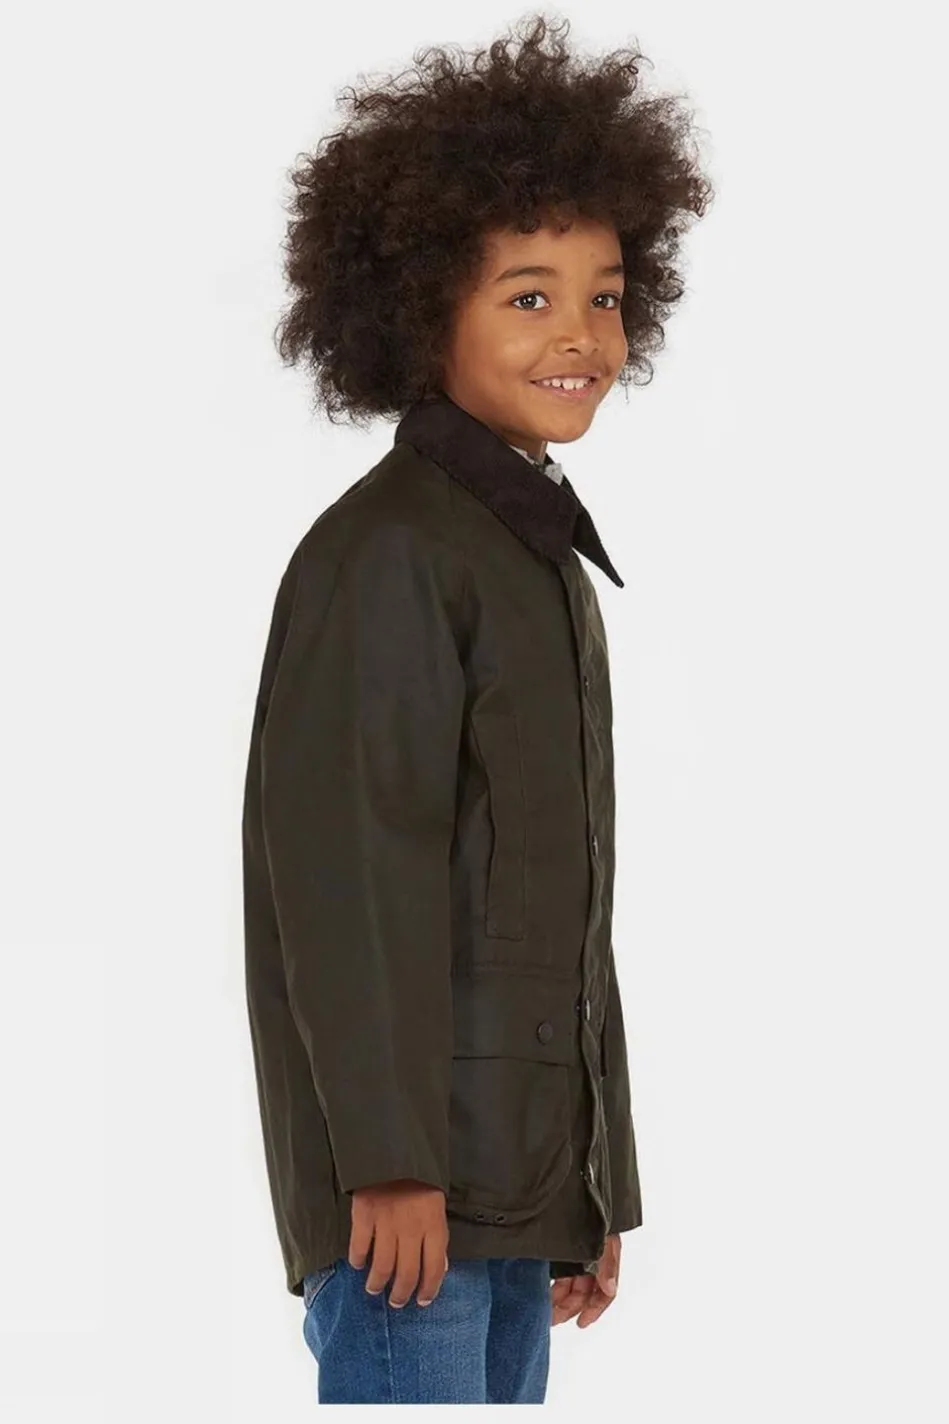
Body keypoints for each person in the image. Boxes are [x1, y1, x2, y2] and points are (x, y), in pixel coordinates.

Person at [241, 11, 712, 1405]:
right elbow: (349, 876)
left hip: (510, 1187)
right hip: (411, 1205)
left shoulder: (534, 556)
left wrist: (590, 1188)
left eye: (605, 296)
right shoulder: (391, 553)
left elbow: (564, 911)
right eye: (527, 296)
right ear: (415, 311)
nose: (581, 335)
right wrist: (386, 1161)